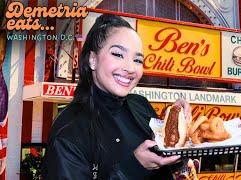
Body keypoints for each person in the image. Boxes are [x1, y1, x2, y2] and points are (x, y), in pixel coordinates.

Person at [42, 14, 192, 179]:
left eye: (137, 60)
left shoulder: (140, 105)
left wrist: (177, 124)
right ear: (92, 60)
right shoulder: (69, 130)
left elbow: (168, 161)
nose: (130, 68)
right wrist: (134, 166)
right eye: (118, 54)